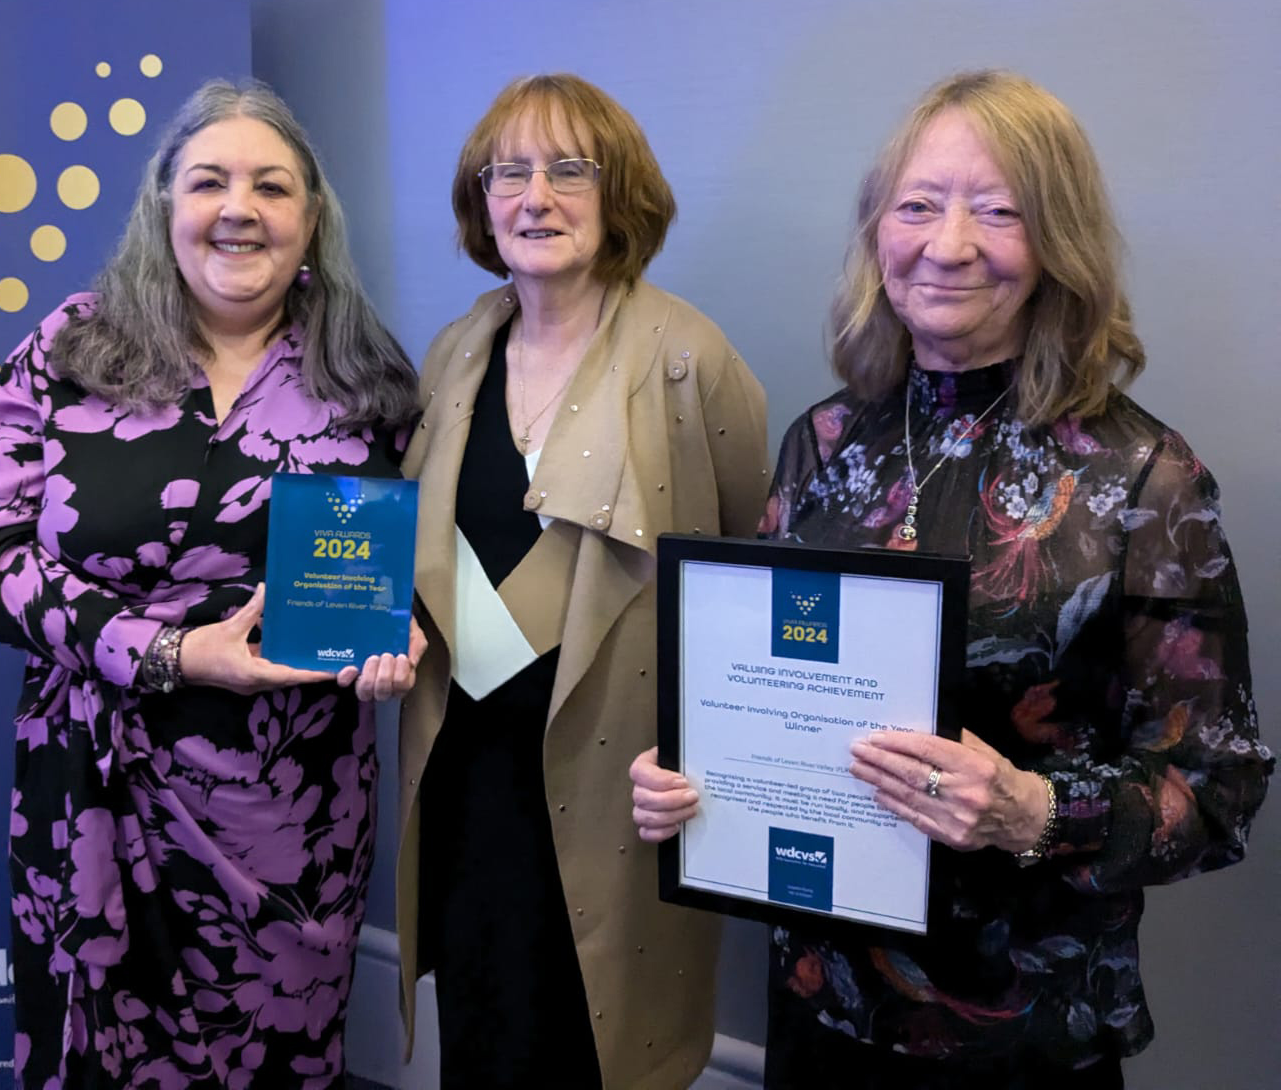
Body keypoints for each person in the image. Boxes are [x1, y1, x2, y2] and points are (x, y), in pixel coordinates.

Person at [631, 69, 1271, 1089]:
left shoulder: (1143, 477)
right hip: (820, 1004)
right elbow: (775, 688)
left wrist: (1031, 808)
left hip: (1020, 1032)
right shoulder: (822, 440)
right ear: (876, 232)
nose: (948, 244)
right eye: (917, 205)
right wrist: (701, 773)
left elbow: (1218, 788)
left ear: (1057, 244)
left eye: (999, 211)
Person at [0, 79, 425, 1089]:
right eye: (208, 181)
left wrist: (406, 634)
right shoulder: (71, 348)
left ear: (313, 217)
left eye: (272, 186)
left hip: (291, 808)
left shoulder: (369, 377)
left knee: (273, 1057)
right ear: (164, 208)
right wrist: (157, 649)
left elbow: (409, 562)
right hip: (91, 791)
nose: (238, 208)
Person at [396, 73, 769, 1089]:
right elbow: (416, 552)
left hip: (614, 786)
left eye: (568, 170)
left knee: (596, 1050)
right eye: (507, 171)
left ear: (621, 195)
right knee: (481, 1034)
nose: (534, 197)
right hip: (469, 777)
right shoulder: (455, 351)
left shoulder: (689, 359)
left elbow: (747, 578)